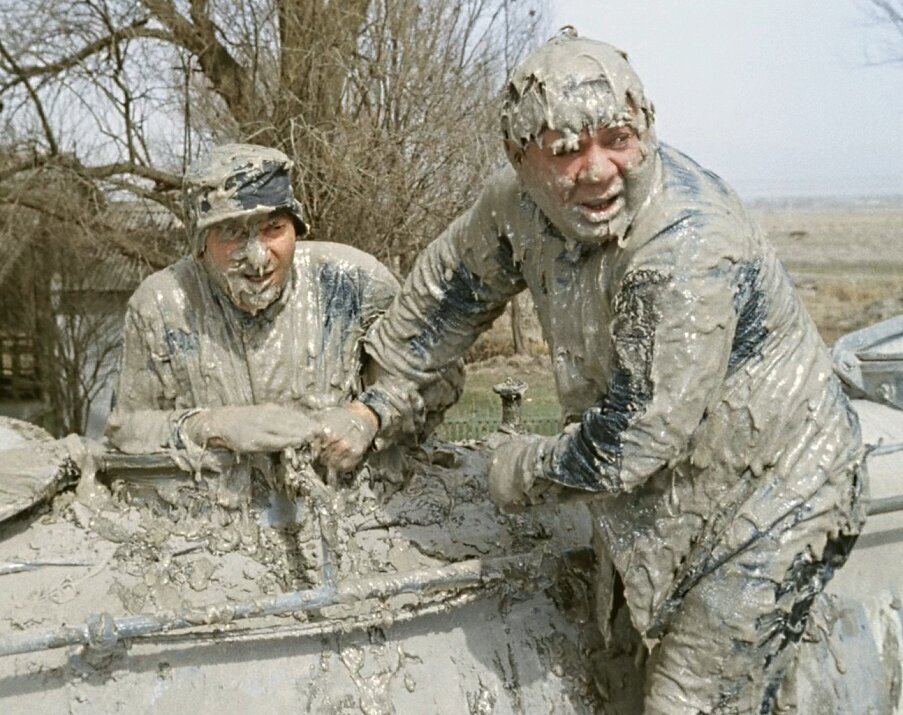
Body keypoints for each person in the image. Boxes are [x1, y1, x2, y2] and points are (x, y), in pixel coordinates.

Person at [314, 31, 867, 714]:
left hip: (779, 488)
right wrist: (374, 405)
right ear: (521, 160)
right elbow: (443, 301)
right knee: (619, 674)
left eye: (617, 139)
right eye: (565, 150)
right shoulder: (515, 207)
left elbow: (635, 436)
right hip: (665, 491)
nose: (598, 169)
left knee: (692, 698)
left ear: (648, 128)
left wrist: (521, 468)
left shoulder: (686, 245)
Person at [105, 143, 401, 457]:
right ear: (200, 243)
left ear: (296, 229)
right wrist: (212, 426)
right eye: (232, 232)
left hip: (345, 496)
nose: (258, 259)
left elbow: (428, 374)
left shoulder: (353, 283)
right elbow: (125, 426)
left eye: (273, 228)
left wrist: (370, 416)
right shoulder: (161, 305)